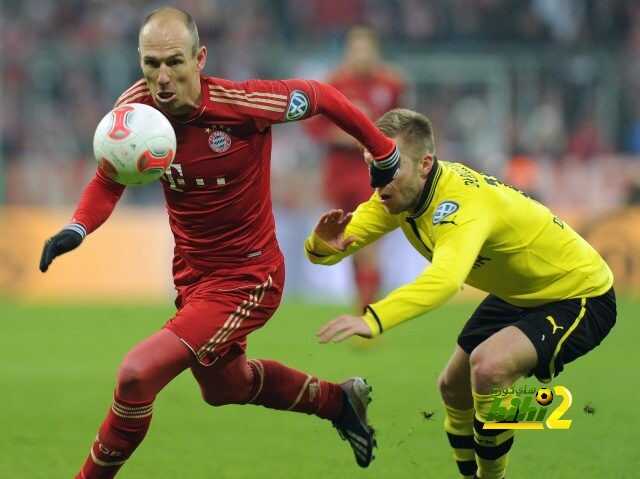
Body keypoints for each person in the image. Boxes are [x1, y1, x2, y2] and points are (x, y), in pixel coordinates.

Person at [38, 7, 399, 478]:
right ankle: (339, 400)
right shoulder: (136, 114)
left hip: (249, 276)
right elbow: (109, 180)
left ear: (199, 58)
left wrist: (383, 149)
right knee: (225, 387)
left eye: (174, 62)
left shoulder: (242, 104)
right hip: (193, 276)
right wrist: (77, 228)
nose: (162, 77)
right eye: (151, 64)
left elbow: (322, 96)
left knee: (136, 375)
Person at [304, 108, 616, 479]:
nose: (377, 179)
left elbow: (445, 281)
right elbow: (336, 246)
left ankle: (499, 465)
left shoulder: (461, 207)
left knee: (489, 367)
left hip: (579, 294)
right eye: (372, 163)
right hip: (520, 292)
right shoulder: (395, 194)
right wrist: (319, 245)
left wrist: (375, 319)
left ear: (425, 164)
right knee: (452, 388)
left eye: (389, 165)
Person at [305, 26, 406, 312]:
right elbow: (315, 127)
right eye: (356, 48)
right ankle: (363, 302)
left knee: (368, 240)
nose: (362, 54)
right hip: (338, 173)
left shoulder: (391, 83)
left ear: (375, 51)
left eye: (366, 48)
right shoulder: (334, 83)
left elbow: (402, 123)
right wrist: (344, 136)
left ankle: (368, 308)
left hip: (372, 172)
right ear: (348, 51)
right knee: (346, 241)